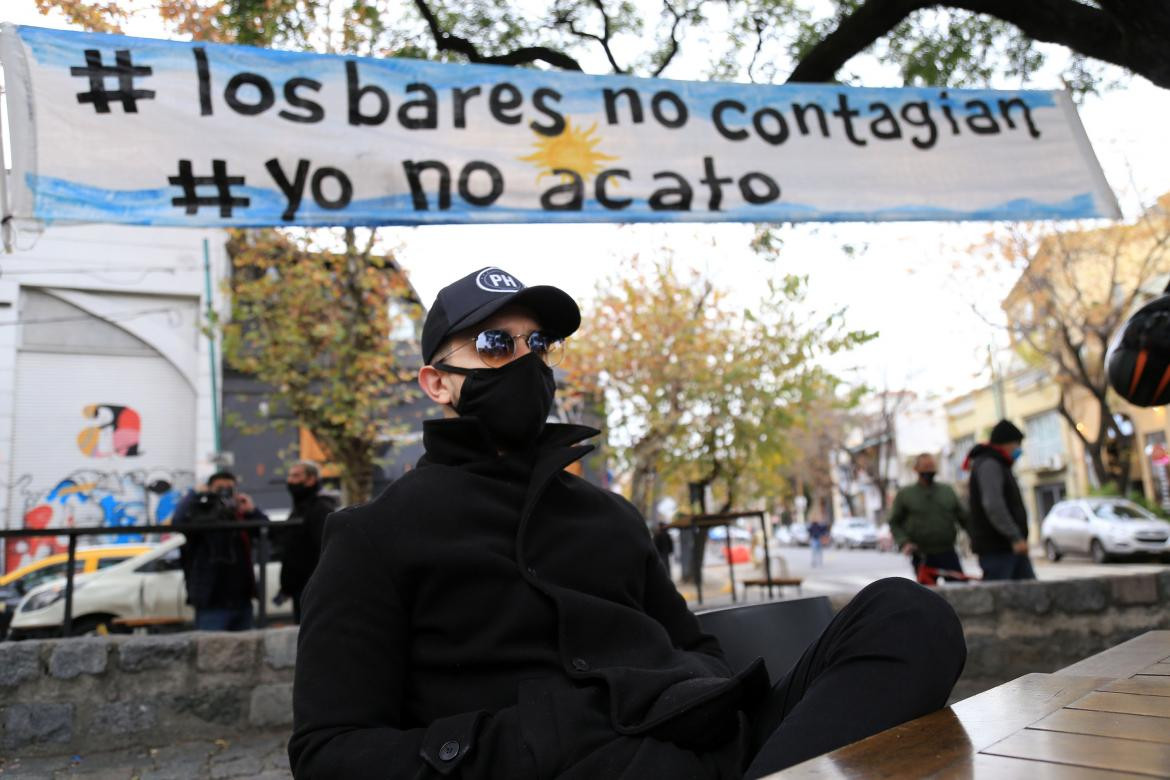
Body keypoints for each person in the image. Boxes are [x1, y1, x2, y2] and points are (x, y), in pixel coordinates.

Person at [290, 266, 966, 779]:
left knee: (908, 614)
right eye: (495, 343)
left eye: (539, 344)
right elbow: (329, 749)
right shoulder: (373, 535)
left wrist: (689, 690)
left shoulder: (610, 515)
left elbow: (694, 646)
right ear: (436, 382)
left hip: (716, 746)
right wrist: (534, 738)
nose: (525, 360)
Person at [174, 471, 269, 631]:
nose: (224, 492)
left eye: (229, 488)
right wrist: (196, 494)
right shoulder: (201, 513)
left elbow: (267, 532)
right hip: (212, 599)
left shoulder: (240, 514)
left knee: (245, 651)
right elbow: (179, 522)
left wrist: (251, 510)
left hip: (242, 599)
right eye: (219, 488)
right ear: (209, 489)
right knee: (210, 650)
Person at [965, 420, 1035, 581]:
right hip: (999, 549)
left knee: (1030, 597)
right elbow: (993, 505)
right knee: (1004, 600)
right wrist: (1015, 537)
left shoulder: (998, 463)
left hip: (1007, 548)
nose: (1018, 449)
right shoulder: (990, 464)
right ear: (1007, 443)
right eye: (1017, 444)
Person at [888, 454, 968, 582]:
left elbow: (964, 518)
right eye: (925, 468)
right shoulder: (906, 494)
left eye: (931, 467)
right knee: (927, 596)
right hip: (922, 554)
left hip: (947, 552)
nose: (929, 472)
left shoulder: (947, 491)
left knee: (959, 590)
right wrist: (904, 542)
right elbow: (894, 522)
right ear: (916, 470)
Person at [277, 461, 339, 624]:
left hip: (313, 587)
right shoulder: (301, 508)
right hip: (302, 588)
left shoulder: (320, 508)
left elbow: (324, 547)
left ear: (311, 479)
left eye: (296, 476)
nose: (290, 481)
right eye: (290, 476)